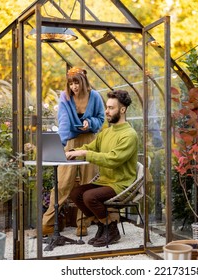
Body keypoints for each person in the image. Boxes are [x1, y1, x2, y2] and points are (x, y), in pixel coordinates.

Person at [67, 90, 138, 247]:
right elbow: (91, 146)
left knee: (89, 197)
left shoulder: (129, 135)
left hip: (121, 184)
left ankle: (111, 229)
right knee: (76, 193)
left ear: (122, 110)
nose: (106, 111)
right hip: (105, 181)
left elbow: (113, 160)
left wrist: (85, 153)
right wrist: (72, 152)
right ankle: (102, 225)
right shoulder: (106, 132)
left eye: (111, 108)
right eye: (107, 107)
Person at [42, 67, 105, 236]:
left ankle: (82, 225)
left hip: (90, 142)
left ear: (83, 82)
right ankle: (47, 223)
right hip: (69, 142)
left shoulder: (95, 96)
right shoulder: (65, 97)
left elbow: (101, 118)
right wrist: (60, 145)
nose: (74, 87)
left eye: (76, 82)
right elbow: (63, 122)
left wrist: (90, 123)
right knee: (62, 183)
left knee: (87, 183)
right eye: (71, 83)